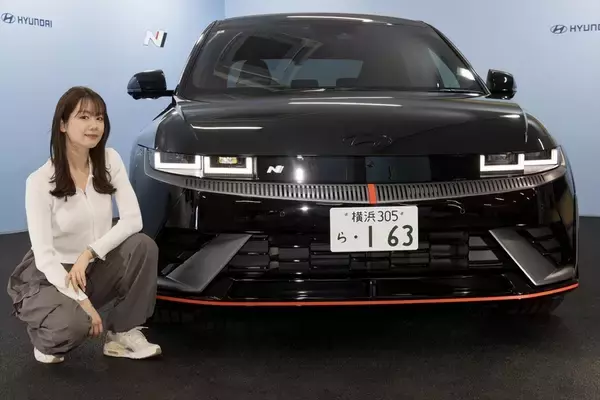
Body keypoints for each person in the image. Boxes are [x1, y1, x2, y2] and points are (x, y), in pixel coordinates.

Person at [6, 86, 162, 364]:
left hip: (92, 266)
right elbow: (45, 257)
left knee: (143, 246)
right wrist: (84, 302)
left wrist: (89, 253)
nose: (94, 125)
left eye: (99, 118)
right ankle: (46, 335)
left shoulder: (110, 160)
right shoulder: (39, 182)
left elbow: (133, 220)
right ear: (63, 125)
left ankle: (122, 333)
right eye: (84, 117)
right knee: (74, 326)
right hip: (50, 275)